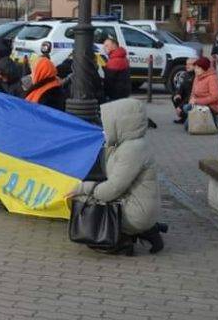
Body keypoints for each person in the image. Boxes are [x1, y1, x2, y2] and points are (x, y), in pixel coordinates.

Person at [68, 98, 165, 255]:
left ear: (121, 123)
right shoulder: (129, 144)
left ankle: (121, 242)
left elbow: (112, 189)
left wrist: (83, 188)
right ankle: (146, 231)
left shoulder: (131, 150)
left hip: (137, 211)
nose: (104, 128)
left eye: (107, 123)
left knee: (89, 216)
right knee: (93, 196)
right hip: (140, 207)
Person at [182, 56, 218, 132]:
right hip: (198, 105)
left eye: (198, 68)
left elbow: (215, 96)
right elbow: (193, 92)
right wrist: (192, 100)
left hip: (210, 106)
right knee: (186, 108)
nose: (195, 70)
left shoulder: (212, 78)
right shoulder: (197, 77)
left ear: (204, 68)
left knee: (188, 114)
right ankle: (201, 120)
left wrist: (197, 101)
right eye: (195, 68)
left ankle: (212, 120)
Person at [101, 38, 131, 102]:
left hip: (116, 94)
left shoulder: (115, 60)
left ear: (114, 45)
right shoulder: (121, 56)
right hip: (124, 92)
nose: (104, 48)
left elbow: (109, 81)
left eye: (107, 46)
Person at [172, 58, 196, 125]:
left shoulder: (196, 76)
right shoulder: (185, 74)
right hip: (185, 97)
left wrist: (180, 106)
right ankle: (183, 117)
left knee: (183, 104)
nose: (187, 66)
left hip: (192, 98)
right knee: (175, 97)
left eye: (190, 64)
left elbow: (191, 95)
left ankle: (187, 118)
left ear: (195, 66)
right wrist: (178, 94)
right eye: (186, 64)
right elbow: (180, 87)